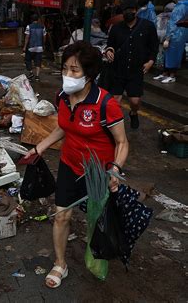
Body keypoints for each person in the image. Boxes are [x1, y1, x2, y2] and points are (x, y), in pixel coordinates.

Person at [23, 41, 129, 289]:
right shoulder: (62, 96)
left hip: (98, 173)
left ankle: (97, 256)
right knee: (62, 216)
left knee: (96, 220)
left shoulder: (105, 104)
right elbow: (63, 126)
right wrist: (39, 147)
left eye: (75, 70)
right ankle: (60, 263)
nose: (68, 75)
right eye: (65, 69)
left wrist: (115, 169)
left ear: (90, 74)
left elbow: (122, 142)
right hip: (70, 165)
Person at [105, 0, 158, 129]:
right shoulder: (116, 28)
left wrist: (150, 61)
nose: (128, 12)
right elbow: (110, 45)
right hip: (118, 69)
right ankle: (116, 126)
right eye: (125, 11)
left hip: (136, 70)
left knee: (135, 101)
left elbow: (154, 46)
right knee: (115, 100)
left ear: (136, 11)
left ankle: (133, 113)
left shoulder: (147, 26)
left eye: (131, 10)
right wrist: (109, 51)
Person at [157, 0, 188, 83]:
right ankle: (166, 73)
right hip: (181, 32)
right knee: (173, 53)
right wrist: (167, 14)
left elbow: (174, 22)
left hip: (176, 33)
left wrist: (168, 37)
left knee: (172, 53)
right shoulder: (184, 4)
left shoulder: (180, 6)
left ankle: (172, 75)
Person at [152, 2, 176, 80]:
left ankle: (167, 74)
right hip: (167, 40)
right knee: (165, 57)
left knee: (164, 57)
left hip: (162, 39)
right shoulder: (173, 17)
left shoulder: (160, 16)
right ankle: (165, 73)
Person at [22, 14, 46, 82]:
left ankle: (31, 73)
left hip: (31, 47)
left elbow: (27, 37)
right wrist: (43, 44)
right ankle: (37, 76)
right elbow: (44, 37)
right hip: (39, 47)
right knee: (38, 61)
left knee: (28, 60)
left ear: (31, 20)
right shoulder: (42, 27)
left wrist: (24, 47)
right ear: (38, 19)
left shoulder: (29, 26)